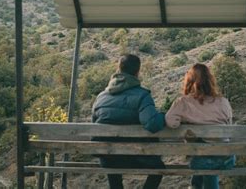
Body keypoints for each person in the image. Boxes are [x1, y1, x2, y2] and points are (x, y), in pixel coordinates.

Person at [92, 54, 166, 189]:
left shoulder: (101, 97)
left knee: (110, 156)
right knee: (159, 168)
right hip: (137, 157)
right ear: (137, 72)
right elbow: (152, 124)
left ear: (118, 69)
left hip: (109, 158)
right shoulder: (142, 95)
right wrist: (162, 116)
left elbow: (95, 124)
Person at [165, 63, 235, 189]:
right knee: (206, 155)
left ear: (189, 81)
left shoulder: (184, 102)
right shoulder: (223, 102)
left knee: (203, 157)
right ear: (210, 81)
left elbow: (171, 122)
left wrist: (187, 120)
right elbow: (229, 128)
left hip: (201, 160)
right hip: (227, 159)